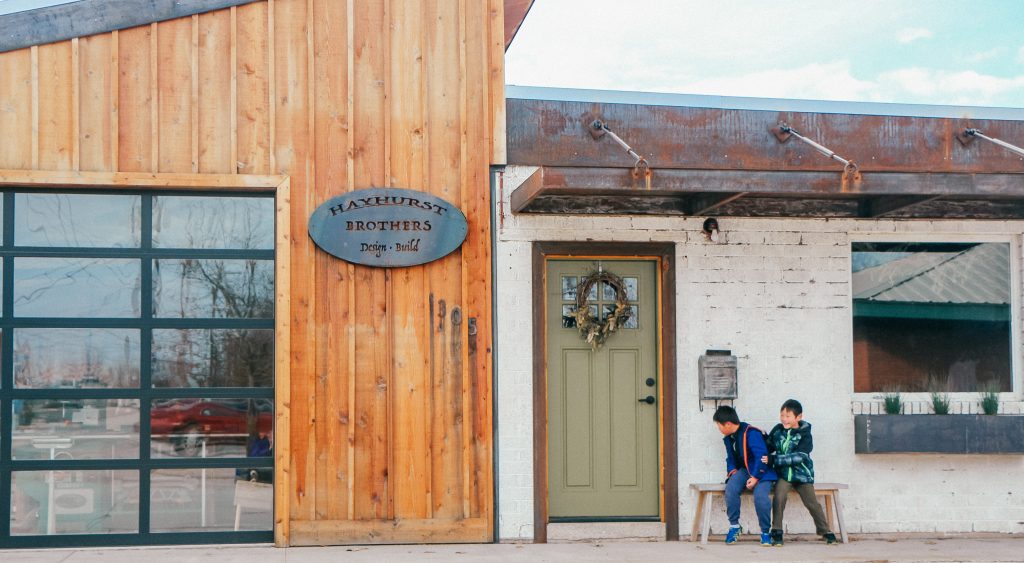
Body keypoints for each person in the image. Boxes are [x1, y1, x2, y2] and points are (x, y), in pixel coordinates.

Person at [765, 399, 838, 546]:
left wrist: (774, 460)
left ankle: (825, 531)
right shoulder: (778, 430)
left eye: (788, 416)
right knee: (779, 497)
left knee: (812, 503)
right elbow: (768, 446)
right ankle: (777, 531)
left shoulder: (805, 434)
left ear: (798, 417)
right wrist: (761, 436)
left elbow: (799, 457)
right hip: (784, 475)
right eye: (782, 415)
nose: (784, 419)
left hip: (802, 475)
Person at [712, 405, 777, 546]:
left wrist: (755, 477)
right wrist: (733, 471)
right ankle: (734, 526)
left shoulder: (751, 432)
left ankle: (765, 532)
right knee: (731, 488)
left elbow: (762, 456)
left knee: (760, 496)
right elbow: (730, 457)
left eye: (719, 426)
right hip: (745, 470)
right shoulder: (729, 438)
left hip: (762, 471)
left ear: (728, 424)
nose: (719, 429)